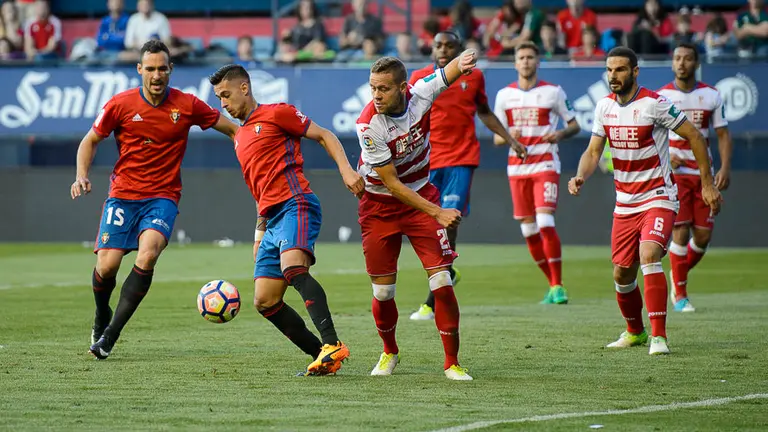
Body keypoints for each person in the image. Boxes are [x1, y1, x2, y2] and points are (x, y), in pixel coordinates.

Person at [71, 40, 239, 360]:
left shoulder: (187, 105)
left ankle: (109, 336)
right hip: (123, 195)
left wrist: (252, 148)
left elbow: (232, 129)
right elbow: (90, 140)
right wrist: (81, 175)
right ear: (140, 70)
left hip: (163, 196)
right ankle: (101, 314)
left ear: (171, 69)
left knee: (147, 255)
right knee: (107, 266)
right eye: (150, 69)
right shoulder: (120, 104)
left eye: (162, 68)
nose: (156, 75)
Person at [209, 64, 364, 376]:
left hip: (296, 204)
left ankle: (332, 343)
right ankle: (322, 356)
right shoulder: (239, 138)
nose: (223, 103)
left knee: (293, 268)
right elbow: (259, 191)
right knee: (265, 301)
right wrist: (259, 234)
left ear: (244, 88)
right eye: (218, 98)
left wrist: (347, 170)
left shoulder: (277, 113)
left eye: (226, 95)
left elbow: (324, 135)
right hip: (271, 220)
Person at [568, 47, 722, 355]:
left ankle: (659, 337)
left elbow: (695, 136)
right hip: (625, 203)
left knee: (649, 253)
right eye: (610, 70)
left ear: (635, 71)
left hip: (658, 196)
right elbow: (594, 151)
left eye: (620, 69)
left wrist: (707, 183)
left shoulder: (655, 103)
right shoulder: (604, 107)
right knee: (622, 273)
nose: (613, 76)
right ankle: (635, 331)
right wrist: (580, 175)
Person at [356, 50, 495, 381]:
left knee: (442, 280)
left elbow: (448, 72)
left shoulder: (421, 94)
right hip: (380, 205)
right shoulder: (368, 125)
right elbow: (392, 185)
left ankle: (452, 363)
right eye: (373, 88)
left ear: (403, 87)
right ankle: (389, 352)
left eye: (383, 88)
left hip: (421, 194)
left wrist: (463, 60)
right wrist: (438, 212)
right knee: (383, 292)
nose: (376, 95)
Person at [407, 31, 525, 321]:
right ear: (432, 49)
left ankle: (433, 299)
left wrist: (510, 140)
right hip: (427, 162)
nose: (443, 50)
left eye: (449, 46)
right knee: (427, 226)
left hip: (461, 159)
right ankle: (448, 272)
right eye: (438, 45)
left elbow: (484, 112)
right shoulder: (420, 78)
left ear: (460, 50)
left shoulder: (474, 77)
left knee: (449, 220)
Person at [493, 41, 581, 304]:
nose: (526, 61)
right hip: (517, 167)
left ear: (537, 61)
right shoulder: (504, 95)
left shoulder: (553, 92)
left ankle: (558, 285)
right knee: (529, 230)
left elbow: (574, 125)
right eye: (521, 57)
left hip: (545, 163)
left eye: (530, 57)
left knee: (544, 221)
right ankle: (553, 285)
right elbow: (497, 139)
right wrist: (509, 136)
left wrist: (560, 134)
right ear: (515, 63)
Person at [657, 43, 732, 313]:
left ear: (696, 63)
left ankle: (677, 275)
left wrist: (724, 168)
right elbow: (652, 135)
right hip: (675, 175)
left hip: (703, 175)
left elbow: (722, 134)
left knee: (702, 236)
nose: (681, 63)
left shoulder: (711, 95)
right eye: (677, 58)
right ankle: (680, 295)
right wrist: (667, 155)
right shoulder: (662, 97)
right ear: (672, 63)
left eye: (687, 58)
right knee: (680, 231)